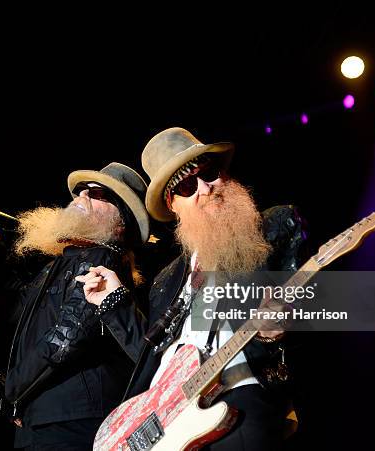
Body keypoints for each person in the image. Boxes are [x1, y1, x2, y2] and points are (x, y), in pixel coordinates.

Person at [79, 128, 307, 450]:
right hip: (175, 424)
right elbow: (153, 365)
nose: (204, 189)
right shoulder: (166, 281)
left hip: (240, 399)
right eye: (187, 186)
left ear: (224, 174)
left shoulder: (271, 228)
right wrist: (115, 302)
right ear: (173, 204)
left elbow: (317, 313)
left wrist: (278, 331)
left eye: (209, 174)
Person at [0, 162, 150, 450]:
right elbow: (14, 313)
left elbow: (65, 338)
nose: (81, 197)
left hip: (74, 421)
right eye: (81, 191)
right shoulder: (61, 263)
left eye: (97, 195)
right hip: (38, 418)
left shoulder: (103, 259)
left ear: (121, 221)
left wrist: (13, 391)